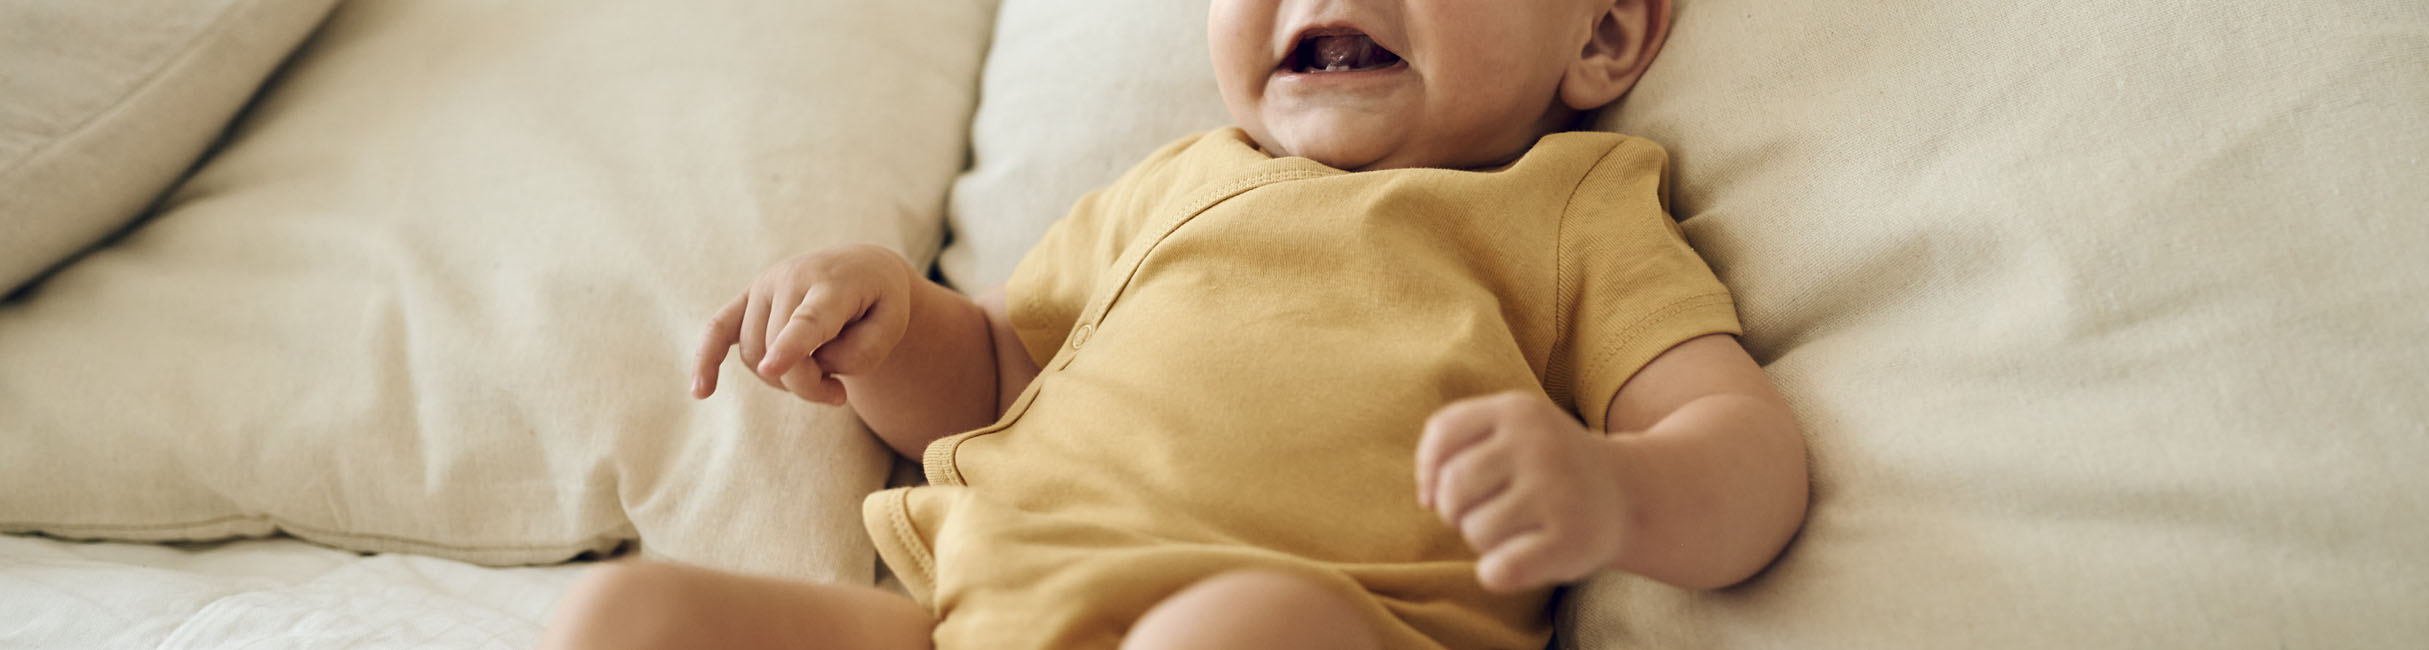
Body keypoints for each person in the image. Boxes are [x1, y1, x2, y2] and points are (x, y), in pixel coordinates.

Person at [539, 0, 1807, 648]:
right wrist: (889, 324)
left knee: (1232, 635)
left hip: (1307, 626)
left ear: (1599, 31)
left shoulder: (1571, 206)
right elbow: (997, 374)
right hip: (976, 619)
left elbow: (1745, 452)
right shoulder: (1180, 178)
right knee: (627, 619)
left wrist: (1614, 490)